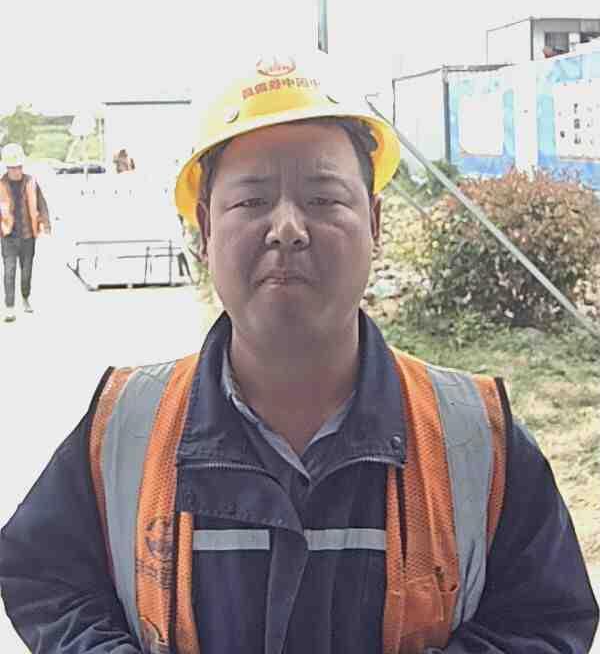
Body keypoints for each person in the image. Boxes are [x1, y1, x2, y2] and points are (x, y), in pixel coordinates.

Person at [0, 58, 597, 654]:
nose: (287, 228)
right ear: (204, 229)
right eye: (252, 201)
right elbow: (45, 577)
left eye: (323, 198)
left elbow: (543, 619)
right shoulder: (126, 426)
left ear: (374, 221)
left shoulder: (474, 437)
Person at [0, 142, 51, 323]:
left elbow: (42, 204)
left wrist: (46, 224)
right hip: (8, 236)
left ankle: (25, 297)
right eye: (13, 167)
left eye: (19, 167)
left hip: (28, 236)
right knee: (9, 272)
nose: (17, 171)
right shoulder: (1, 185)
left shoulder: (31, 182)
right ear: (7, 167)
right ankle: (9, 308)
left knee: (26, 272)